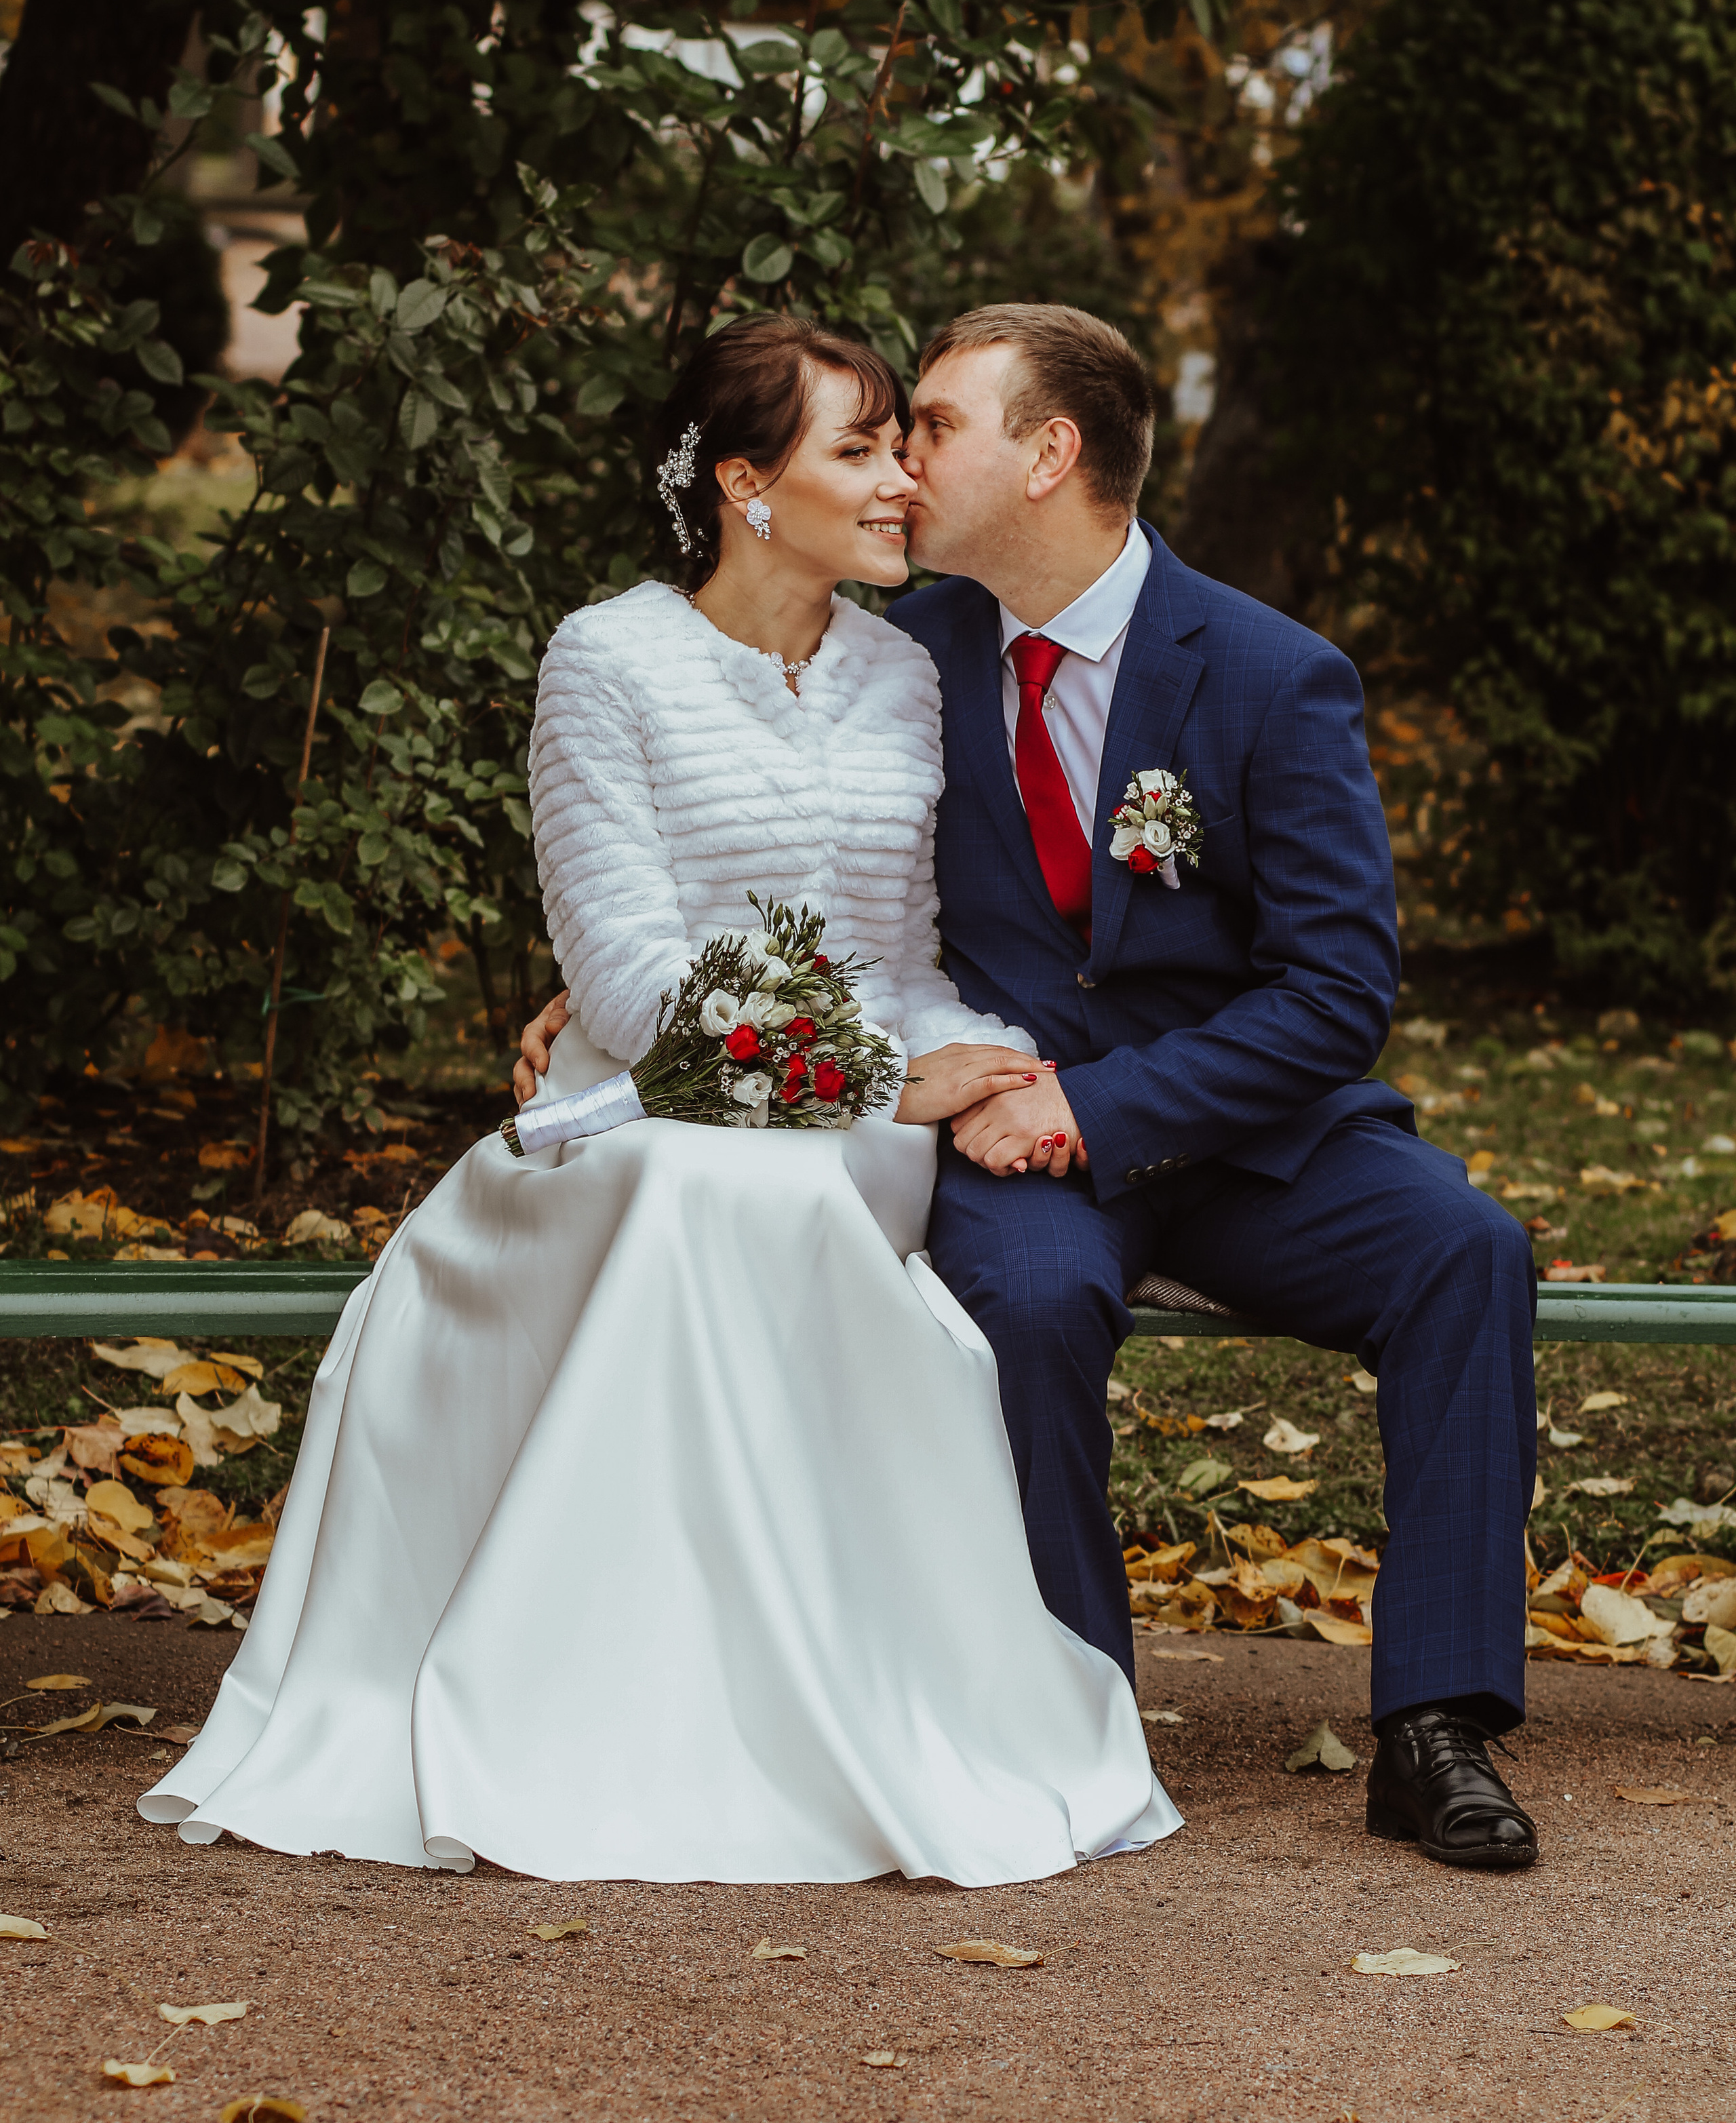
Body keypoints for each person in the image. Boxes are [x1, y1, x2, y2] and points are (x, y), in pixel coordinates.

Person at [138, 313, 1179, 1886]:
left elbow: (904, 959)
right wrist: (887, 1078)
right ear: (750, 488)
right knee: (712, 1189)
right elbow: (624, 993)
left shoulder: (903, 677)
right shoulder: (605, 658)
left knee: (769, 1191)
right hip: (626, 1123)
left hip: (846, 1141)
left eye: (905, 442)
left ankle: (844, 1705)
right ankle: (621, 1711)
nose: (901, 479)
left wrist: (979, 1062)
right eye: (860, 448)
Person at [519, 303, 1541, 1874]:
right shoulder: (897, 650)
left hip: (1236, 1132)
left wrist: (1100, 1106)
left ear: (1049, 453)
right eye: (886, 432)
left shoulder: (1274, 677)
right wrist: (601, 1005)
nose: (905, 462)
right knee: (1034, 1310)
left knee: (1464, 1250)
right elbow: (797, 860)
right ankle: (1073, 1718)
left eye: (931, 424)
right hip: (1004, 1143)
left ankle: (1435, 1727)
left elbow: (1338, 994)